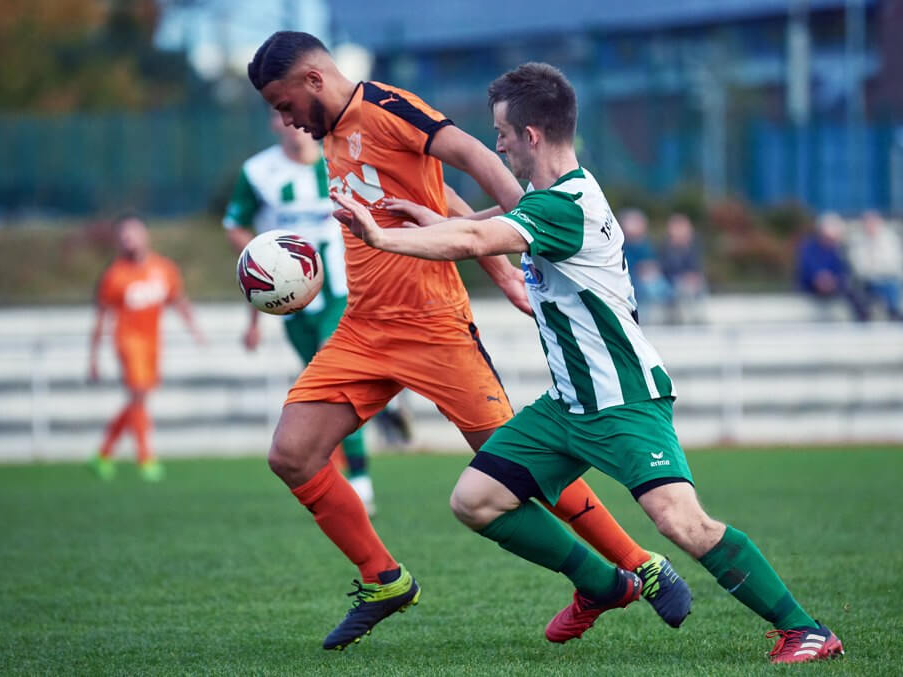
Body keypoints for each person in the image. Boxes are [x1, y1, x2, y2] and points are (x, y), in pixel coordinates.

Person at [334, 62, 844, 664]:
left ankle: (805, 630)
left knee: (683, 524)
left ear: (531, 136)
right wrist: (442, 221)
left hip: (623, 397)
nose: (495, 143)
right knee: (475, 500)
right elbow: (487, 224)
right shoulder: (549, 198)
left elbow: (476, 244)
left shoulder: (566, 205)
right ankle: (602, 585)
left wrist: (383, 237)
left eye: (501, 132)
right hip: (569, 403)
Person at [247, 32, 689, 650]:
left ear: (314, 80)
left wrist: (522, 248)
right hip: (365, 327)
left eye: (283, 100)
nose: (284, 118)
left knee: (526, 466)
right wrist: (504, 268)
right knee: (291, 455)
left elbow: (476, 159)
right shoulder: (331, 134)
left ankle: (640, 563)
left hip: (436, 328)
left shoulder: (390, 107)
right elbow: (441, 199)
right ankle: (384, 580)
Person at [223, 112, 404, 515]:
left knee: (336, 375)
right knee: (325, 393)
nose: (291, 123)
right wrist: (257, 299)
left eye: (295, 115)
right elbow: (235, 226)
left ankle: (360, 482)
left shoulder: (339, 159)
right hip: (292, 305)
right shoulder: (258, 172)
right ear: (272, 123)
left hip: (342, 290)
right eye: (279, 115)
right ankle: (382, 406)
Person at [88, 214, 204, 481]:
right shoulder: (115, 275)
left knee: (138, 400)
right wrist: (93, 357)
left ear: (145, 235)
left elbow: (179, 301)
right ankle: (145, 458)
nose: (129, 240)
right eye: (124, 235)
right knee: (139, 395)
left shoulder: (163, 268)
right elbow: (101, 318)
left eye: (134, 233)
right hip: (128, 342)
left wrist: (195, 330)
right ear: (119, 241)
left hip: (153, 344)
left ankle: (103, 454)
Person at [795, 213, 869, 321]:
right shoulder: (809, 247)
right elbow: (806, 268)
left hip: (834, 285)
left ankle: (863, 317)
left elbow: (843, 269)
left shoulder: (838, 249)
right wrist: (819, 278)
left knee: (853, 291)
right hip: (812, 285)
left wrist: (833, 280)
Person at [849, 210, 903, 321]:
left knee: (892, 284)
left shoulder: (890, 239)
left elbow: (893, 263)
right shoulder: (857, 240)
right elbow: (859, 267)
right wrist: (875, 269)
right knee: (859, 287)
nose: (870, 226)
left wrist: (875, 268)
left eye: (873, 223)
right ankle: (867, 316)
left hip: (887, 278)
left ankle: (894, 312)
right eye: (867, 223)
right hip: (867, 281)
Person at [619, 208, 671, 324]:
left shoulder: (646, 244)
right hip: (633, 283)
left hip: (650, 280)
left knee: (662, 287)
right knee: (650, 289)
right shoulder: (621, 245)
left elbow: (654, 263)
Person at [659, 213, 706, 324]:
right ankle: (681, 321)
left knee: (697, 285)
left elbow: (696, 267)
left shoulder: (693, 246)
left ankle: (697, 319)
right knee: (682, 288)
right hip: (671, 281)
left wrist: (693, 277)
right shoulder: (665, 247)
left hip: (689, 281)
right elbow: (665, 269)